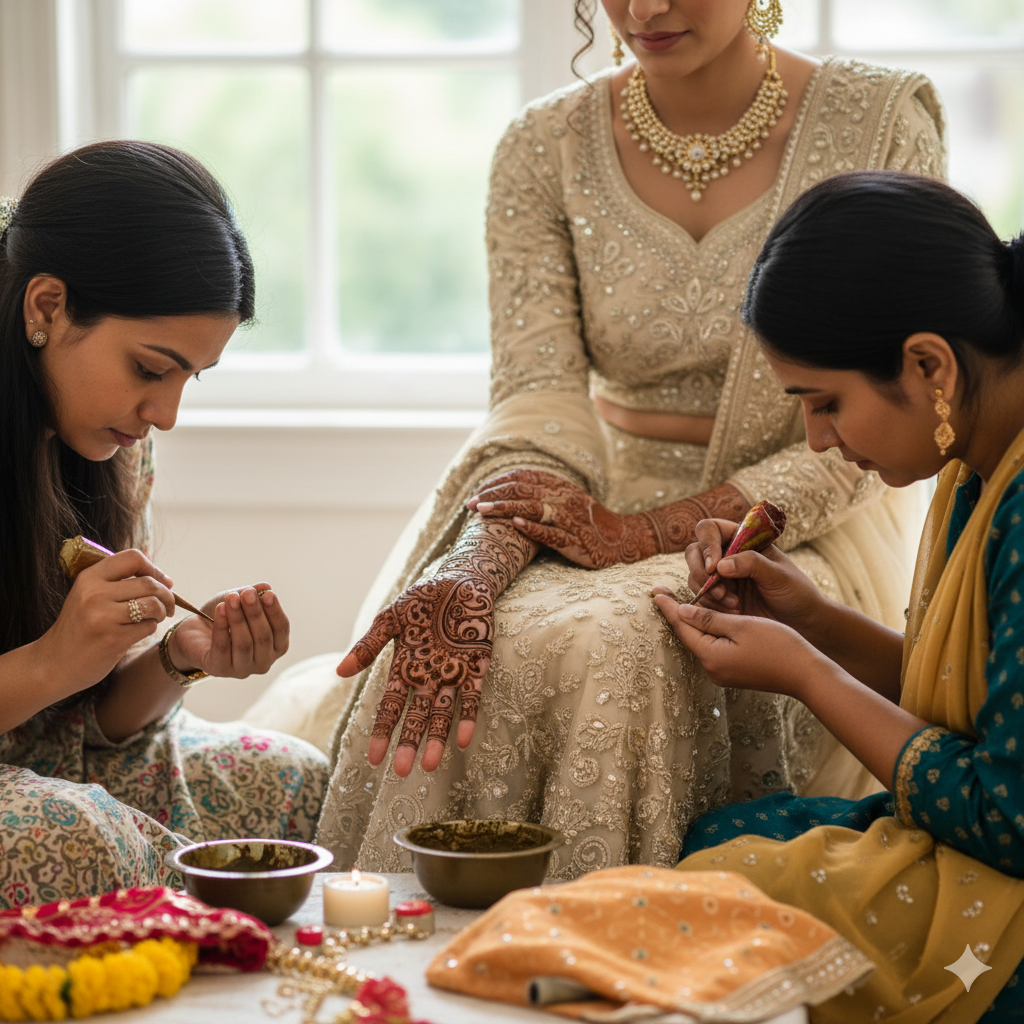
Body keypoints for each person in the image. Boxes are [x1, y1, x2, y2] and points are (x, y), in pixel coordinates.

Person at [279, 0, 946, 875]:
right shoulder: (541, 146)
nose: (643, 10)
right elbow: (538, 399)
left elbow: (891, 409)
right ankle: (412, 954)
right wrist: (480, 561)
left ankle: (594, 953)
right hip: (581, 499)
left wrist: (643, 539)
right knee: (482, 629)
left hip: (799, 508)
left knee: (622, 637)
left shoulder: (879, 122)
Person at [662, 170, 1024, 1021]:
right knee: (723, 841)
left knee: (710, 897)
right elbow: (983, 708)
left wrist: (806, 672)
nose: (821, 440)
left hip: (1006, 888)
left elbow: (1007, 814)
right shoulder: (981, 459)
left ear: (928, 363)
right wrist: (812, 621)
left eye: (826, 404)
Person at [0, 141, 329, 909]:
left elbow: (87, 725)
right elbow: (53, 692)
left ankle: (173, 898)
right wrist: (53, 660)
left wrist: (180, 658)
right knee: (72, 841)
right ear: (46, 306)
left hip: (47, 763)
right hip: (49, 803)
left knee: (298, 784)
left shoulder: (114, 450)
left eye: (190, 378)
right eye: (151, 369)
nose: (167, 415)